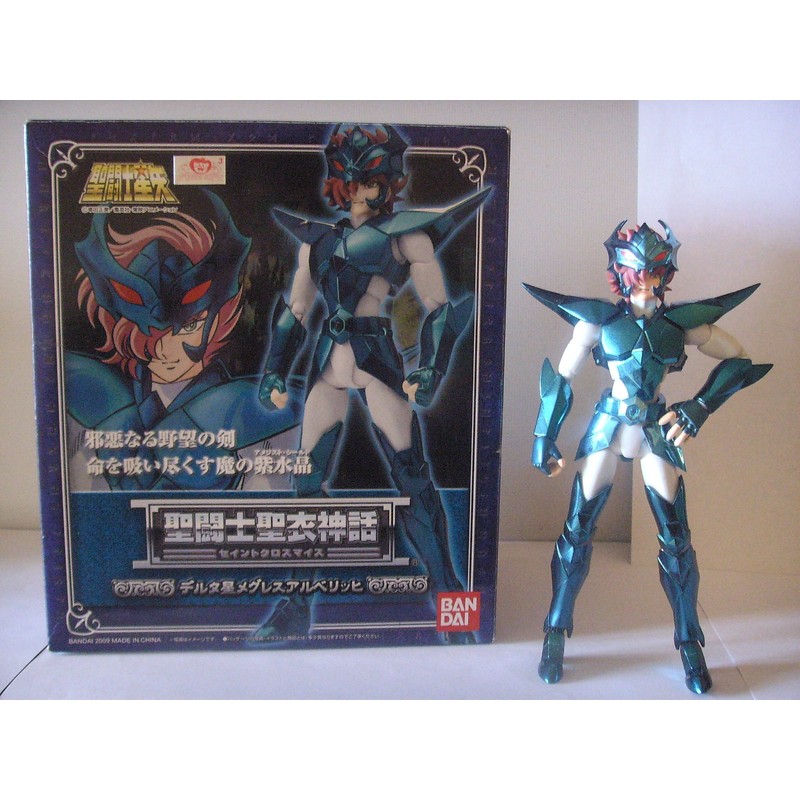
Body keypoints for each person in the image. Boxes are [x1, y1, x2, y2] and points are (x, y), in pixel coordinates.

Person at [524, 220, 771, 693]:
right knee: (578, 529)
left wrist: (700, 406)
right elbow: (562, 378)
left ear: (666, 272)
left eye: (655, 272)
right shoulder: (598, 321)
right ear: (621, 273)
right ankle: (555, 630)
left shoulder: (681, 325)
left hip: (657, 426)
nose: (647, 282)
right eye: (638, 273)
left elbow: (739, 361)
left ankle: (690, 641)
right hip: (610, 425)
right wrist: (543, 436)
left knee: (676, 539)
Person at [259, 124, 490, 620]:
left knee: (412, 477)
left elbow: (439, 307)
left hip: (376, 362)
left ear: (388, 183)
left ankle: (448, 593)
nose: (365, 191)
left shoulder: (405, 237)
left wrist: (429, 369)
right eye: (357, 181)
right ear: (341, 184)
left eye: (374, 180)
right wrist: (274, 370)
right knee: (305, 481)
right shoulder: (316, 242)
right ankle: (296, 605)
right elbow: (296, 310)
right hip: (328, 366)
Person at [67, 189, 300, 491]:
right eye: (150, 332)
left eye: (188, 326)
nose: (166, 350)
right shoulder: (102, 398)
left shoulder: (241, 405)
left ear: (215, 319)